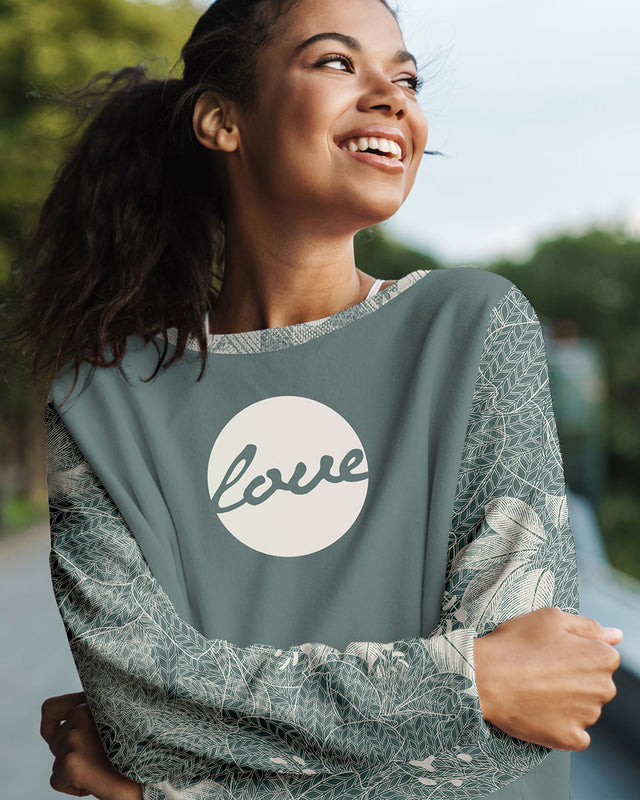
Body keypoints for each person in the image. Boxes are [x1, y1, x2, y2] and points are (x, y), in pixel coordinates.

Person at [1, 0, 622, 798]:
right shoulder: (102, 403)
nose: (391, 95)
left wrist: (166, 790)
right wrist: (471, 684)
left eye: (406, 76)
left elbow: (529, 721)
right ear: (223, 120)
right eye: (336, 62)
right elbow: (140, 714)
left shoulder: (471, 328)